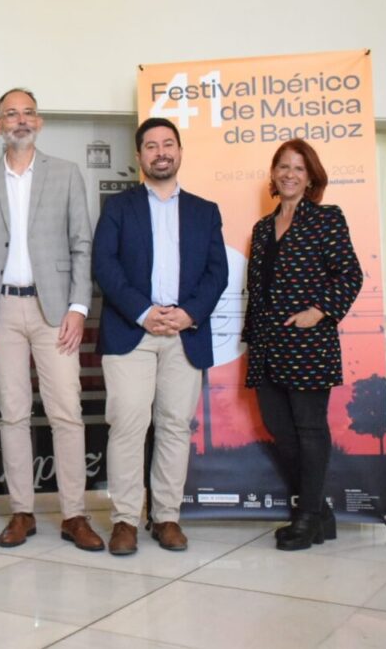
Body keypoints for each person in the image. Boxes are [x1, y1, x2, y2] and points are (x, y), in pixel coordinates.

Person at [0, 88, 103, 551]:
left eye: (28, 113)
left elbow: (81, 245)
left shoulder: (66, 174)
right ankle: (21, 512)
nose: (20, 120)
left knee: (66, 413)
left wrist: (78, 309)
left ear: (38, 122)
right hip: (0, 310)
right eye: (11, 114)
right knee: (13, 414)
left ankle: (74, 514)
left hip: (55, 310)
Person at [93, 117, 228, 556]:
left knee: (174, 427)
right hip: (130, 330)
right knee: (128, 425)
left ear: (180, 152)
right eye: (151, 146)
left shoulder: (205, 211)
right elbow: (104, 265)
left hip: (184, 333)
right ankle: (125, 520)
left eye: (168, 144)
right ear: (139, 157)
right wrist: (144, 312)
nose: (161, 152)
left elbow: (217, 273)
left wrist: (188, 314)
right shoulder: (118, 207)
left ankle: (167, 517)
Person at [241, 139, 363, 551]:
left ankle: (307, 517)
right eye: (283, 166)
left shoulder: (327, 218)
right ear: (273, 174)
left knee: (309, 429)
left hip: (308, 343)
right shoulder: (262, 228)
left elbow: (350, 275)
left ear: (310, 177)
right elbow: (257, 291)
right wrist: (252, 337)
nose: (289, 174)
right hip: (266, 345)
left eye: (298, 168)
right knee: (279, 428)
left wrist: (319, 311)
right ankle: (320, 511)